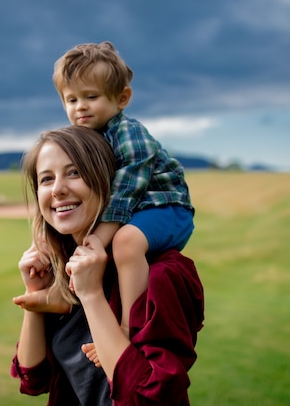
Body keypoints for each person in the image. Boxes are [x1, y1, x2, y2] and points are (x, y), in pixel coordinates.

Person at [11, 126, 204, 405]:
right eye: (46, 179)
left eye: (75, 172)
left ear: (108, 183)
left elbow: (147, 397)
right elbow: (33, 378)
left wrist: (91, 295)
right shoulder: (66, 270)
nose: (58, 190)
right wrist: (35, 294)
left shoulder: (162, 274)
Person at [52, 41, 195, 342]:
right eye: (71, 99)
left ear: (122, 98)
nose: (80, 107)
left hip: (165, 207)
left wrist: (100, 238)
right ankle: (59, 298)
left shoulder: (128, 132)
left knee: (125, 242)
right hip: (136, 211)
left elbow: (126, 190)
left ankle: (129, 328)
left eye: (91, 97)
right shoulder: (89, 139)